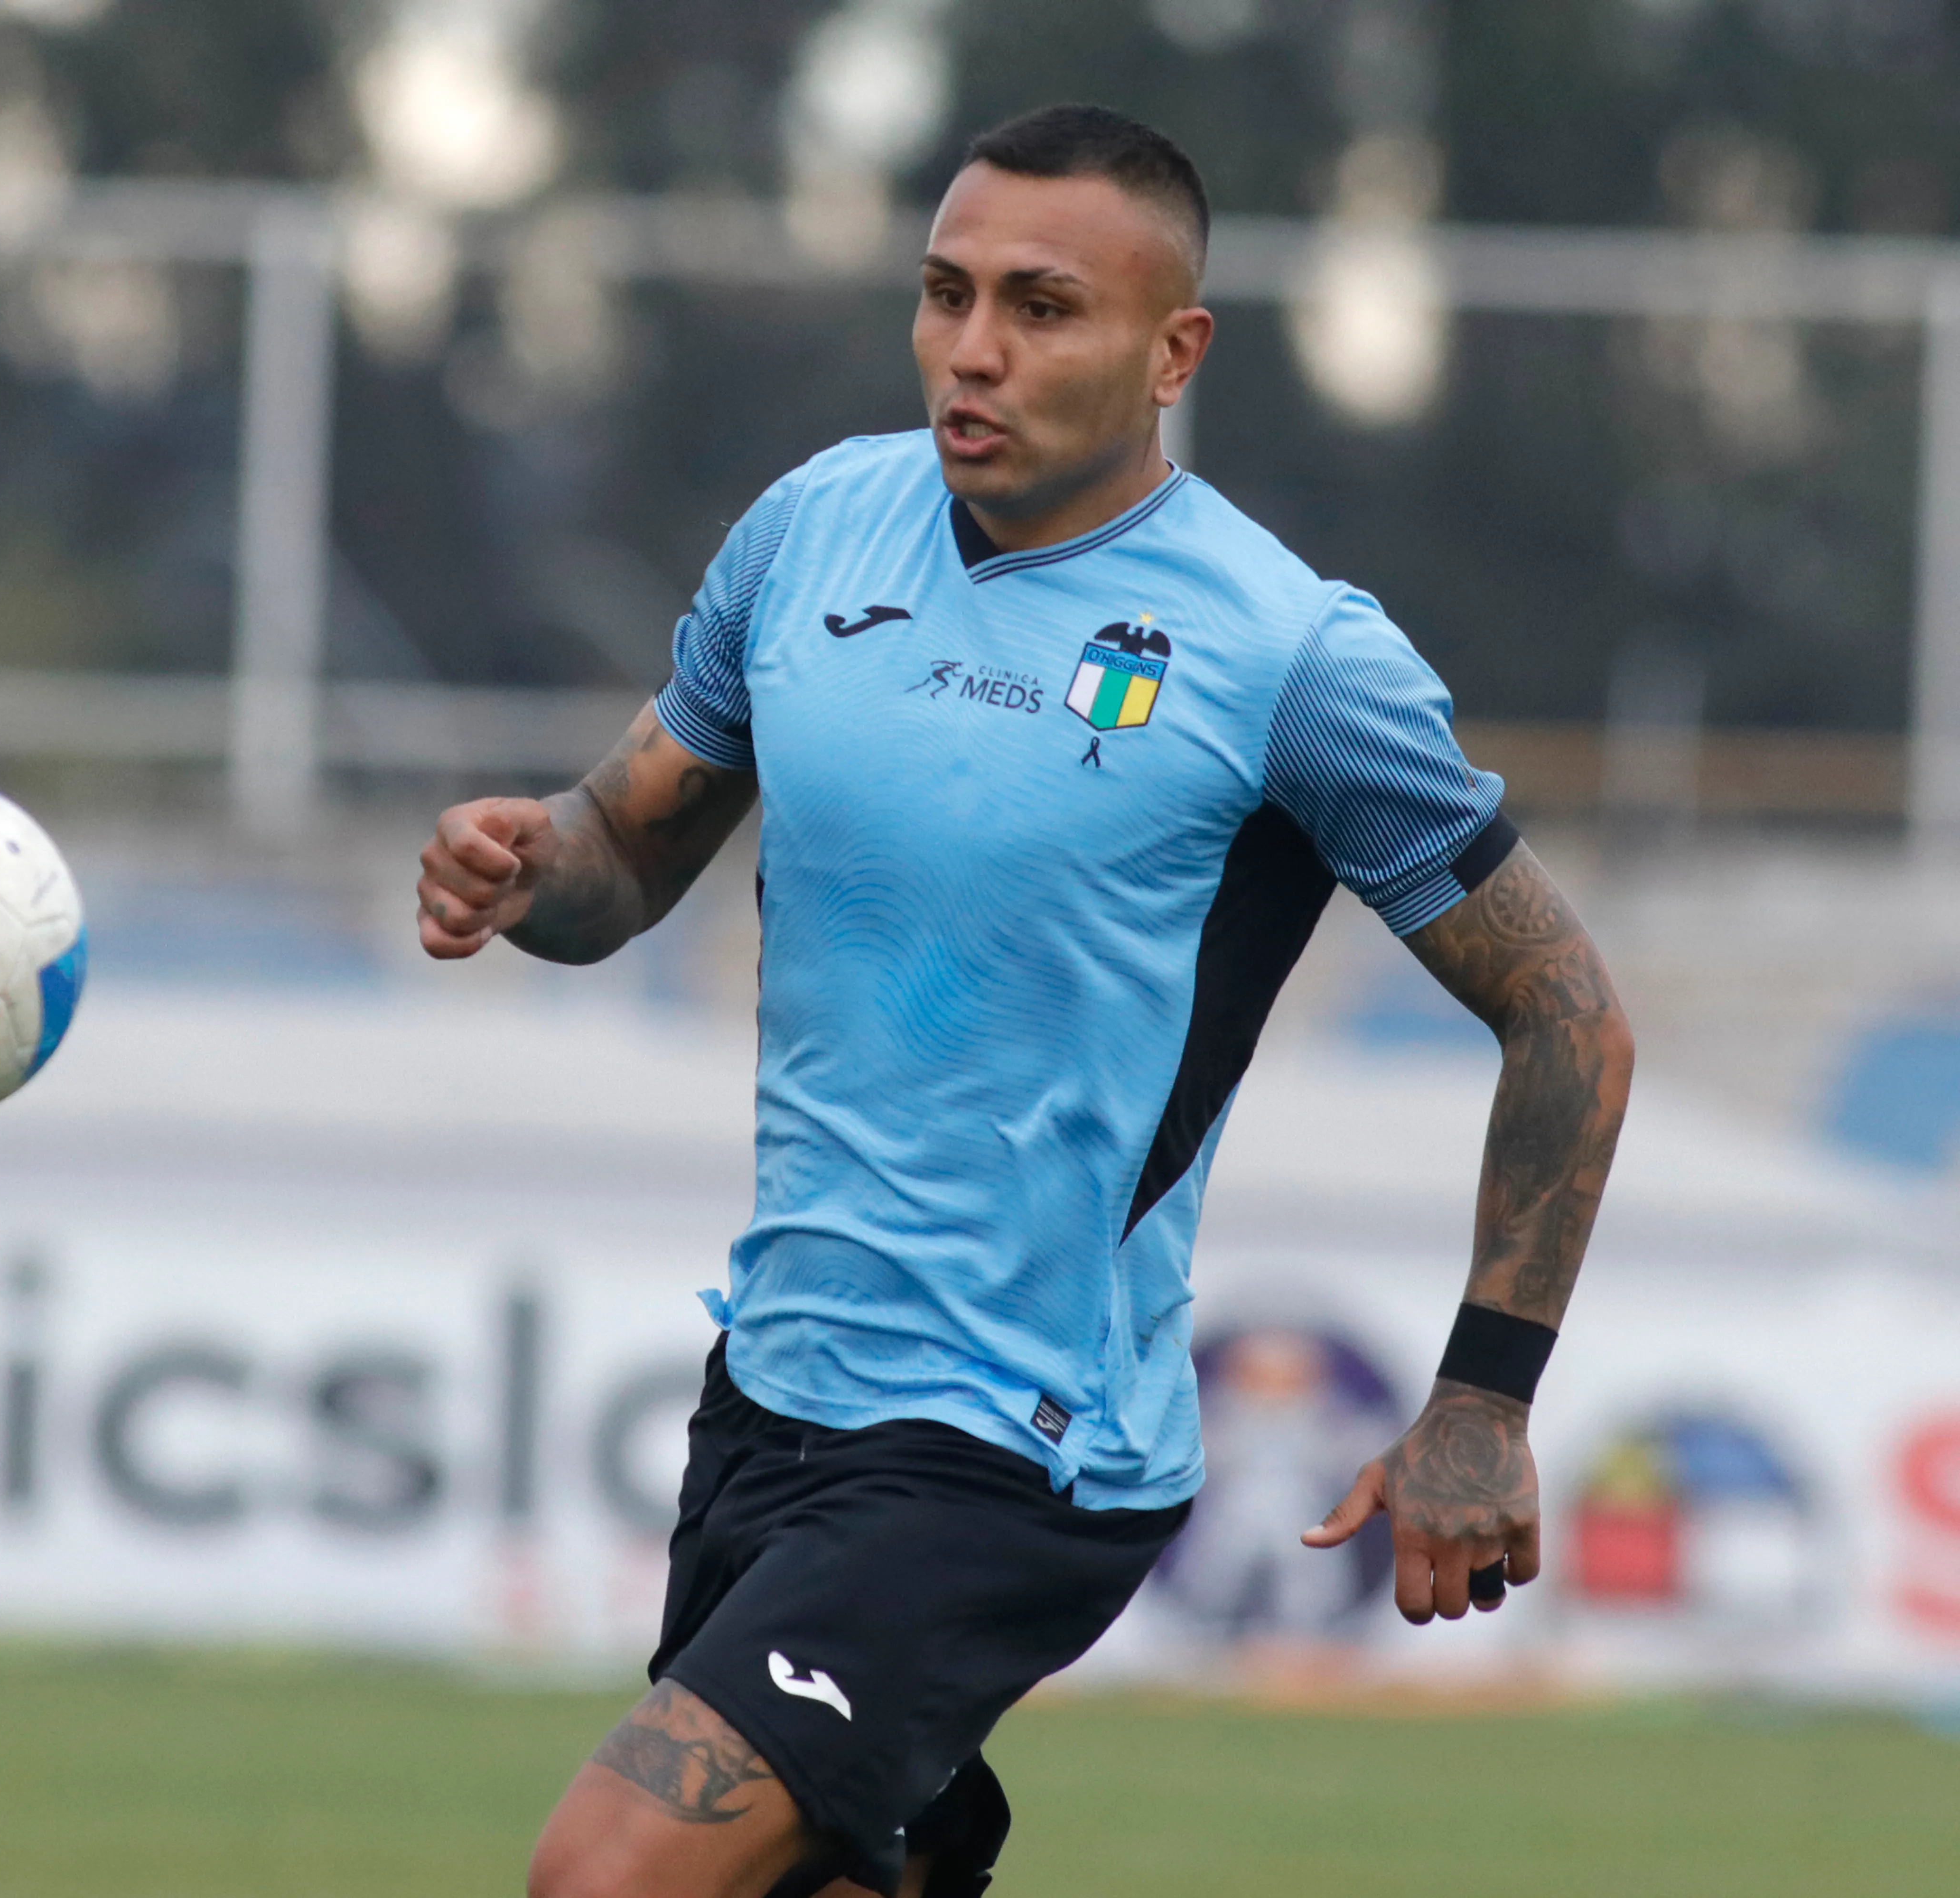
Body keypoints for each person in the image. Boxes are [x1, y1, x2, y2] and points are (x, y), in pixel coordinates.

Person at [414, 104, 1633, 1898]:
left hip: (1015, 1442)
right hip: (773, 1391)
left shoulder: (1285, 654)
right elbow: (621, 849)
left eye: (1042, 307)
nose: (973, 349)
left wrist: (1483, 1398)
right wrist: (527, 870)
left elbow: (1566, 1012)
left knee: (605, 1874)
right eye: (944, 293)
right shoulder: (813, 533)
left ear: (1171, 352)